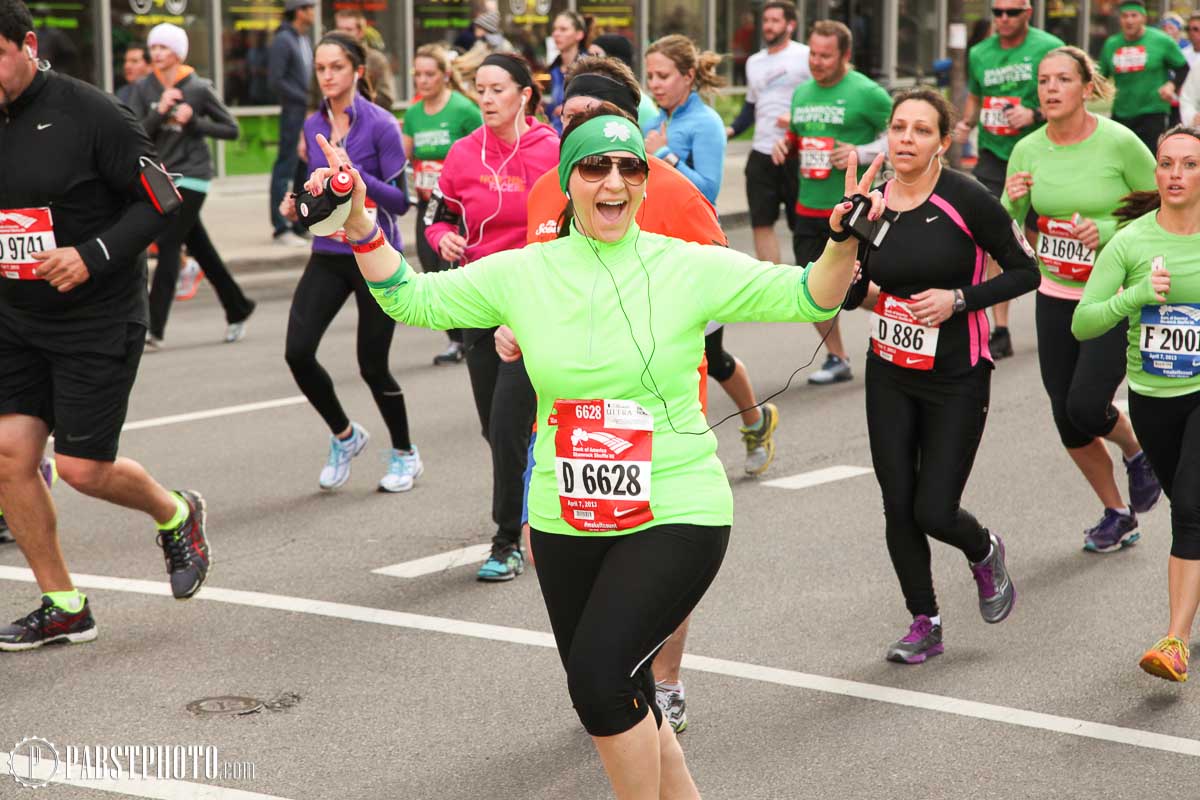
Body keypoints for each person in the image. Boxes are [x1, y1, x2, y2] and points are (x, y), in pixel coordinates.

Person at [312, 103, 880, 800]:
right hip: (565, 514)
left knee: (600, 685)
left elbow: (808, 292)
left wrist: (844, 240)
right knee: (624, 687)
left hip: (676, 503)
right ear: (568, 181)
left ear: (644, 181)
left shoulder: (686, 266)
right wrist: (361, 223)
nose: (613, 181)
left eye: (628, 168)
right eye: (594, 167)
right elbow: (410, 298)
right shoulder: (526, 271)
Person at [517, 61, 748, 733]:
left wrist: (647, 326)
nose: (573, 121)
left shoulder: (669, 193)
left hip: (656, 414)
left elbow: (717, 293)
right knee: (590, 577)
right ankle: (622, 683)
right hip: (570, 414)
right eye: (568, 111)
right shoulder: (547, 192)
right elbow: (534, 284)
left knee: (656, 549)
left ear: (628, 127)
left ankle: (664, 679)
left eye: (591, 113)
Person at [0, 0, 210, 651]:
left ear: (27, 44)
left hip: (98, 316)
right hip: (16, 318)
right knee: (9, 457)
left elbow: (163, 200)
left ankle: (176, 512)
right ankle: (63, 604)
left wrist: (90, 256)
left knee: (85, 469)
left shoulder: (93, 113)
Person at [844, 88, 1038, 664]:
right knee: (897, 503)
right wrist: (844, 236)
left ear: (942, 142)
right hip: (890, 370)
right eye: (898, 128)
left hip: (957, 374)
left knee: (934, 509)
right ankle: (923, 619)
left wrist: (958, 299)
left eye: (921, 130)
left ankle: (983, 548)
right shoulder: (873, 202)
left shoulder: (966, 198)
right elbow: (854, 291)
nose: (905, 139)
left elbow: (1026, 271)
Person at [1003, 47, 1161, 552]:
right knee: (1064, 415)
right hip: (1055, 293)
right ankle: (1118, 512)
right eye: (1043, 80)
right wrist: (1011, 197)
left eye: (1062, 79)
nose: (1050, 89)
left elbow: (1164, 204)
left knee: (1088, 405)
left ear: (1087, 86)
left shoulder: (1120, 143)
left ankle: (1136, 449)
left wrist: (1110, 228)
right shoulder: (1027, 148)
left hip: (1113, 295)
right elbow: (1007, 225)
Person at [1072, 126, 1200, 683]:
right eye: (1167, 164)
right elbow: (1084, 320)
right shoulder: (1130, 242)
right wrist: (1138, 296)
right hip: (1152, 399)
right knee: (1188, 507)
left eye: (1190, 164)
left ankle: (1175, 640)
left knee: (1192, 508)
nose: (1175, 174)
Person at [423, 53, 559, 581]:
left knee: (507, 425)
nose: (486, 98)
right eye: (479, 89)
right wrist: (442, 238)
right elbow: (438, 216)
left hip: (534, 298)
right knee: (494, 426)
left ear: (525, 94)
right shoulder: (462, 154)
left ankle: (507, 539)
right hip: (479, 298)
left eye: (497, 89)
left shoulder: (551, 150)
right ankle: (531, 489)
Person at [276, 33, 418, 494]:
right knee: (297, 352)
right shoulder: (312, 124)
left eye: (336, 66)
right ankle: (345, 435)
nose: (327, 76)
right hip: (329, 255)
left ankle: (404, 453)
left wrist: (356, 179)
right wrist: (296, 204)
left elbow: (401, 201)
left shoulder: (379, 126)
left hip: (373, 254)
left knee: (372, 366)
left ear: (358, 71)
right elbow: (317, 194)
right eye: (320, 68)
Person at [773, 19, 890, 385]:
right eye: (814, 55)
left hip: (854, 209)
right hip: (809, 206)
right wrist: (785, 145)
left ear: (845, 55)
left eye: (826, 56)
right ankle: (837, 356)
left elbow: (901, 136)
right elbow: (798, 136)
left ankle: (901, 314)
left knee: (855, 290)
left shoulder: (868, 93)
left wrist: (862, 150)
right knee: (814, 285)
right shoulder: (802, 93)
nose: (817, 62)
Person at [128, 23, 257, 349]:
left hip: (194, 176)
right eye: (153, 48)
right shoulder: (145, 88)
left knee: (169, 242)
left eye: (164, 48)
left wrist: (194, 120)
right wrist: (160, 110)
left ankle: (153, 327)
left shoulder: (198, 88)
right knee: (200, 247)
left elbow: (231, 129)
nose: (157, 54)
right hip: (163, 177)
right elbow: (137, 132)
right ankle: (238, 306)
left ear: (178, 53)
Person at [954, 0, 1063, 360]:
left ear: (1028, 13)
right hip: (993, 156)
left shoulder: (1047, 48)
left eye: (1011, 12)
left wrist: (1033, 112)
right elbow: (975, 95)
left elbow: (1070, 97)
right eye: (996, 11)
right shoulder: (981, 52)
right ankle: (999, 328)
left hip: (1040, 155)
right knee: (995, 236)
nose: (1002, 18)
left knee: (1040, 237)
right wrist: (967, 122)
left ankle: (1064, 296)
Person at [402, 44, 481, 366]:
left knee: (453, 269)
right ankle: (455, 338)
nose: (423, 80)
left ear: (445, 75)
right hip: (426, 205)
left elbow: (482, 151)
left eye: (429, 74)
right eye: (417, 74)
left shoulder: (463, 109)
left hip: (457, 207)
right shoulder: (414, 113)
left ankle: (467, 337)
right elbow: (403, 157)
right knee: (430, 266)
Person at [726, 0, 810, 266]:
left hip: (796, 152)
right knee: (761, 222)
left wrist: (797, 119)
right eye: (766, 21)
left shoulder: (806, 56)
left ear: (791, 25)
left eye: (775, 20)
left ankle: (805, 287)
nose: (769, 26)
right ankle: (775, 285)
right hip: (762, 152)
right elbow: (751, 106)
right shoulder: (754, 62)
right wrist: (731, 129)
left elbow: (822, 99)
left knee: (802, 227)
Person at [642, 34, 726, 205]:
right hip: (656, 229)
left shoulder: (707, 122)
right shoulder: (651, 125)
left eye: (663, 76)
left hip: (694, 229)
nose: (654, 84)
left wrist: (663, 154)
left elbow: (708, 192)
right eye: (650, 76)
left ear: (688, 76)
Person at [1099, 0, 1189, 155]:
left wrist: (1171, 85)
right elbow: (1101, 77)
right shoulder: (1111, 44)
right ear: (1120, 19)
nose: (1129, 20)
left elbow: (1183, 68)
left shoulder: (1161, 41)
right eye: (1125, 16)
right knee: (1120, 159)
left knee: (1150, 161)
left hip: (1152, 112)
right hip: (1122, 112)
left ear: (1143, 18)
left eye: (1134, 15)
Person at [268, 0, 315, 247]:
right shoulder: (283, 40)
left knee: (302, 169)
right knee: (285, 168)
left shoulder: (303, 38)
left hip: (306, 114)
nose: (314, 13)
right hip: (293, 114)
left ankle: (299, 222)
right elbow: (276, 80)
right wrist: (305, 98)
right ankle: (280, 226)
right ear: (299, 11)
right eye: (310, 8)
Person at [587, 34, 658, 130]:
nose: (589, 62)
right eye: (588, 56)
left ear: (614, 60)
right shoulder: (592, 98)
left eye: (596, 55)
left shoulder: (640, 105)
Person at [334, 8, 396, 111]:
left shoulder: (375, 60)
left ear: (360, 32)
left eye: (348, 30)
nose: (342, 34)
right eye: (339, 29)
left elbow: (387, 99)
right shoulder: (326, 58)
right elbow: (314, 100)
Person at [545, 11, 589, 133]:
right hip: (555, 136)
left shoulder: (589, 67)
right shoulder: (553, 68)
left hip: (578, 136)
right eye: (555, 29)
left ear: (579, 35)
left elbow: (599, 104)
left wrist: (570, 109)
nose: (556, 34)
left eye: (563, 29)